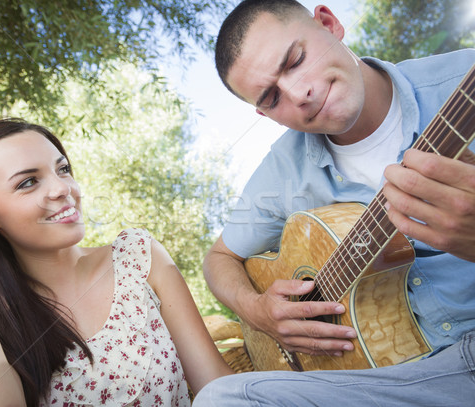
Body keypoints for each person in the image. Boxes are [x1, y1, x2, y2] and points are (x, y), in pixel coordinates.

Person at [194, 0, 475, 405]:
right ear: (263, 113)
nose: (299, 94)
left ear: (329, 24)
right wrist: (257, 311)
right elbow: (219, 257)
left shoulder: (460, 83)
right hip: (393, 382)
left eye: (295, 60)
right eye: (272, 98)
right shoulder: (283, 168)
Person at [0, 118, 233, 407]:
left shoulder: (138, 257)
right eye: (28, 182)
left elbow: (217, 386)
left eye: (62, 169)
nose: (63, 188)